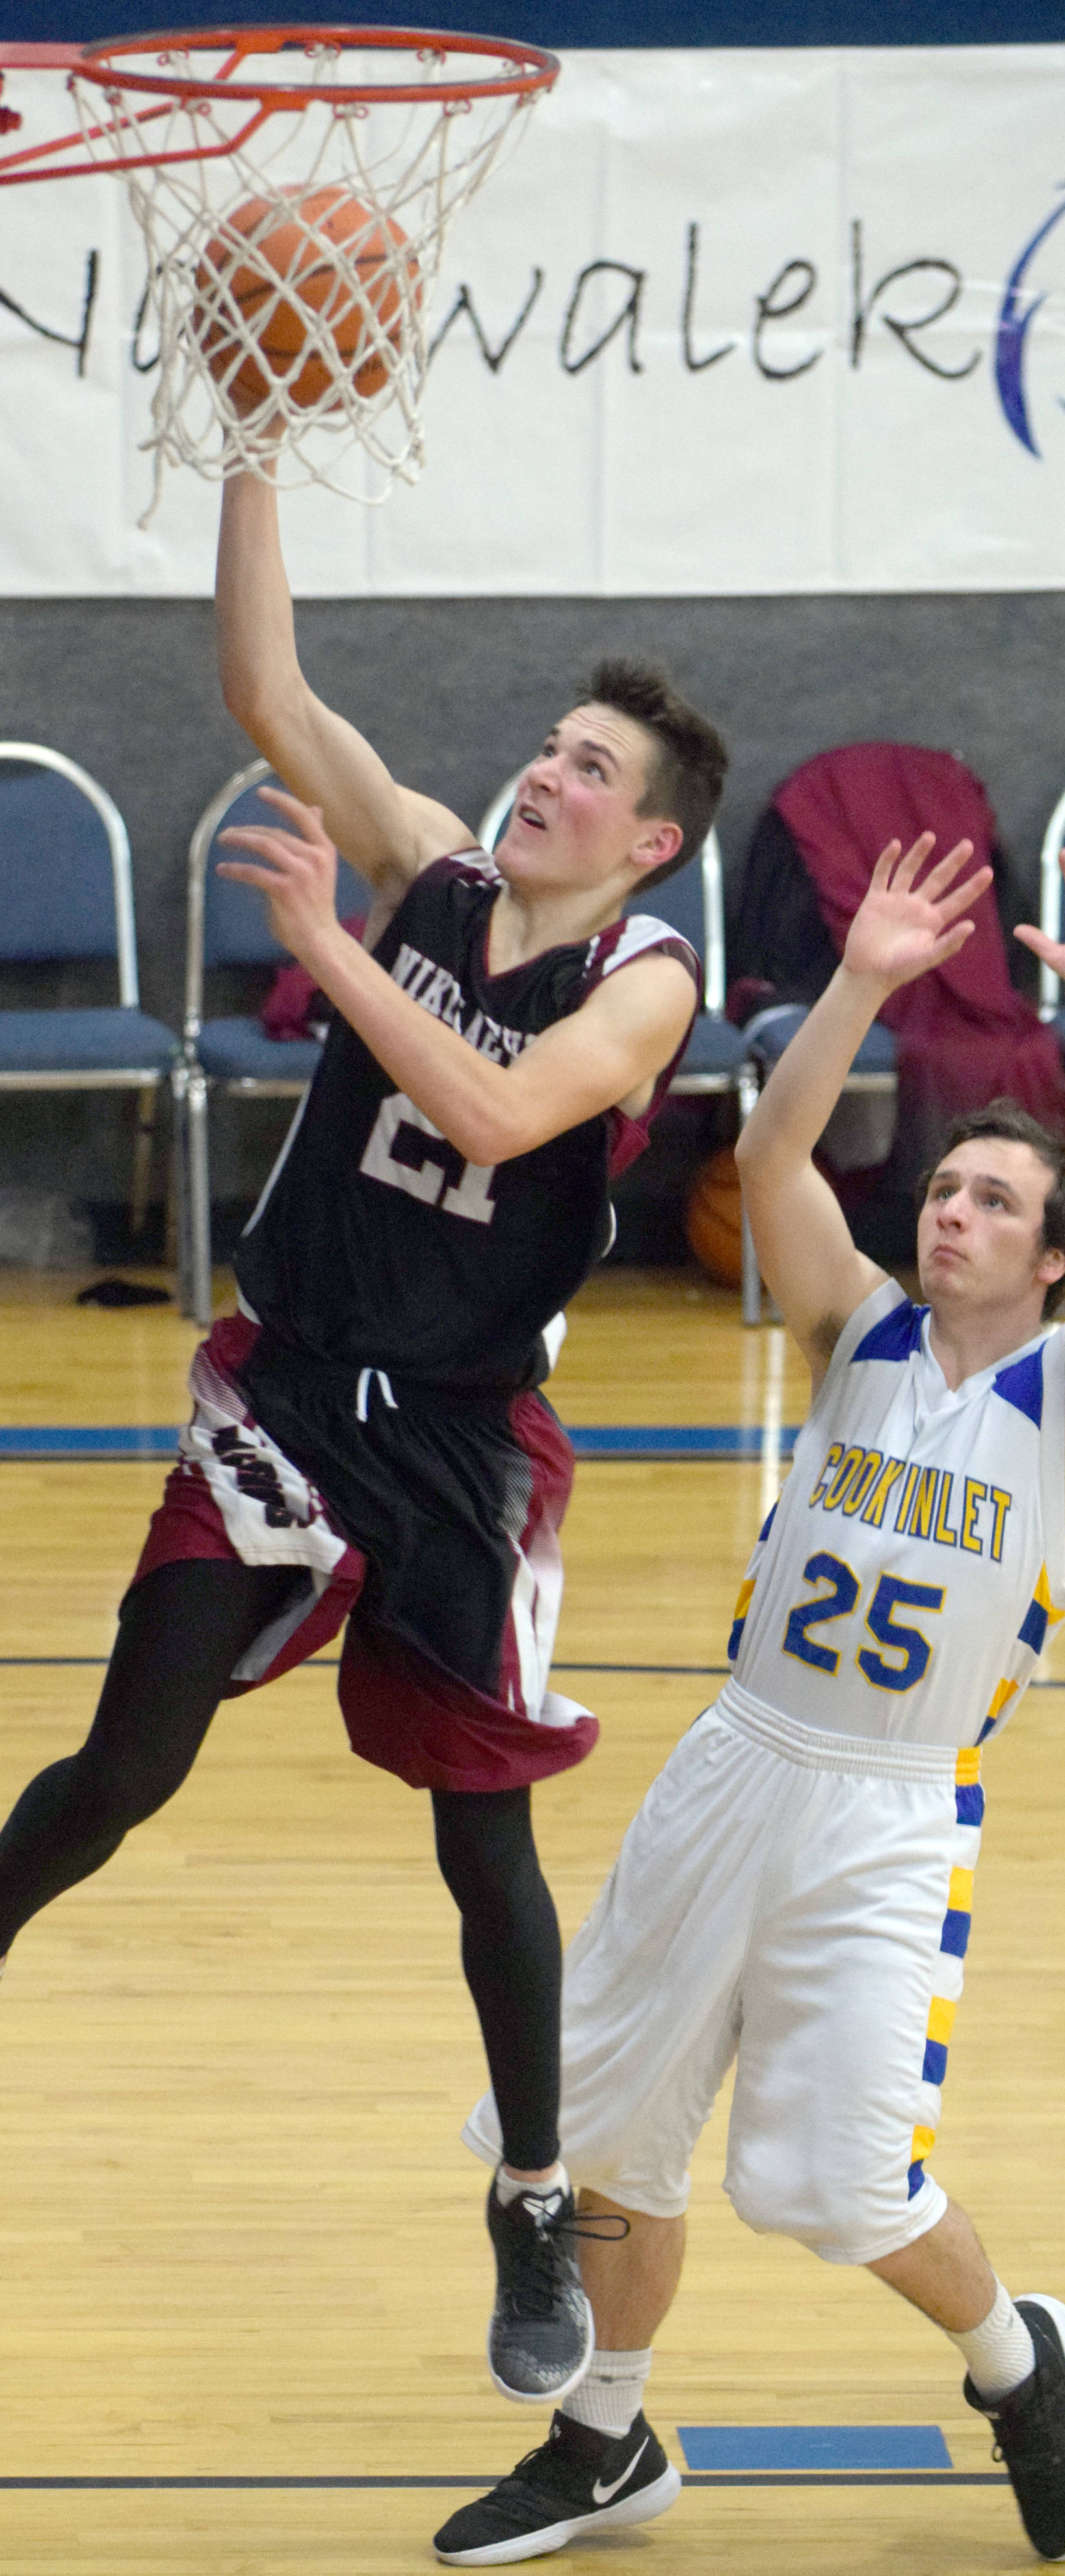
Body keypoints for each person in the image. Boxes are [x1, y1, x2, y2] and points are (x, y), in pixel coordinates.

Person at [0, 466, 727, 2407]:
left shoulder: (646, 987)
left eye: (584, 767)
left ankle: (533, 2196)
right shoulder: (432, 867)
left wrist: (332, 953)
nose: (541, 773)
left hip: (467, 1443)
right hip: (284, 1397)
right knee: (132, 1753)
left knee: (490, 1849)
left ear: (646, 839)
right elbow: (264, 682)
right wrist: (250, 445)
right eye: (545, 743)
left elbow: (496, 1115)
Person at [436, 829, 1065, 2564]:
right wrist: (862, 976)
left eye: (998, 1200)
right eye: (948, 1187)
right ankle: (606, 2437)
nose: (955, 1210)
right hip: (738, 1762)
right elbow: (778, 1143)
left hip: (888, 1805)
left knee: (844, 2185)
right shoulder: (857, 1325)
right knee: (617, 2144)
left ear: (1054, 1259)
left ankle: (1022, 2365)